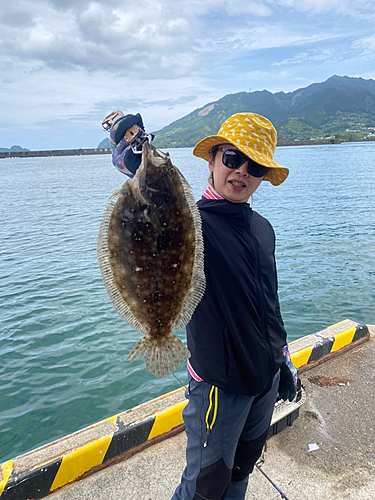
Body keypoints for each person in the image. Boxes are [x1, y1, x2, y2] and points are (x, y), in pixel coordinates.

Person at [104, 110, 298, 500]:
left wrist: (284, 359)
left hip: (265, 381)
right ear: (211, 161)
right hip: (218, 389)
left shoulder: (263, 228)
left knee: (241, 474)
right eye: (231, 158)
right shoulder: (193, 224)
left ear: (263, 175)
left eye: (255, 165)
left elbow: (269, 304)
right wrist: (133, 150)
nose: (241, 172)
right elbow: (151, 212)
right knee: (203, 488)